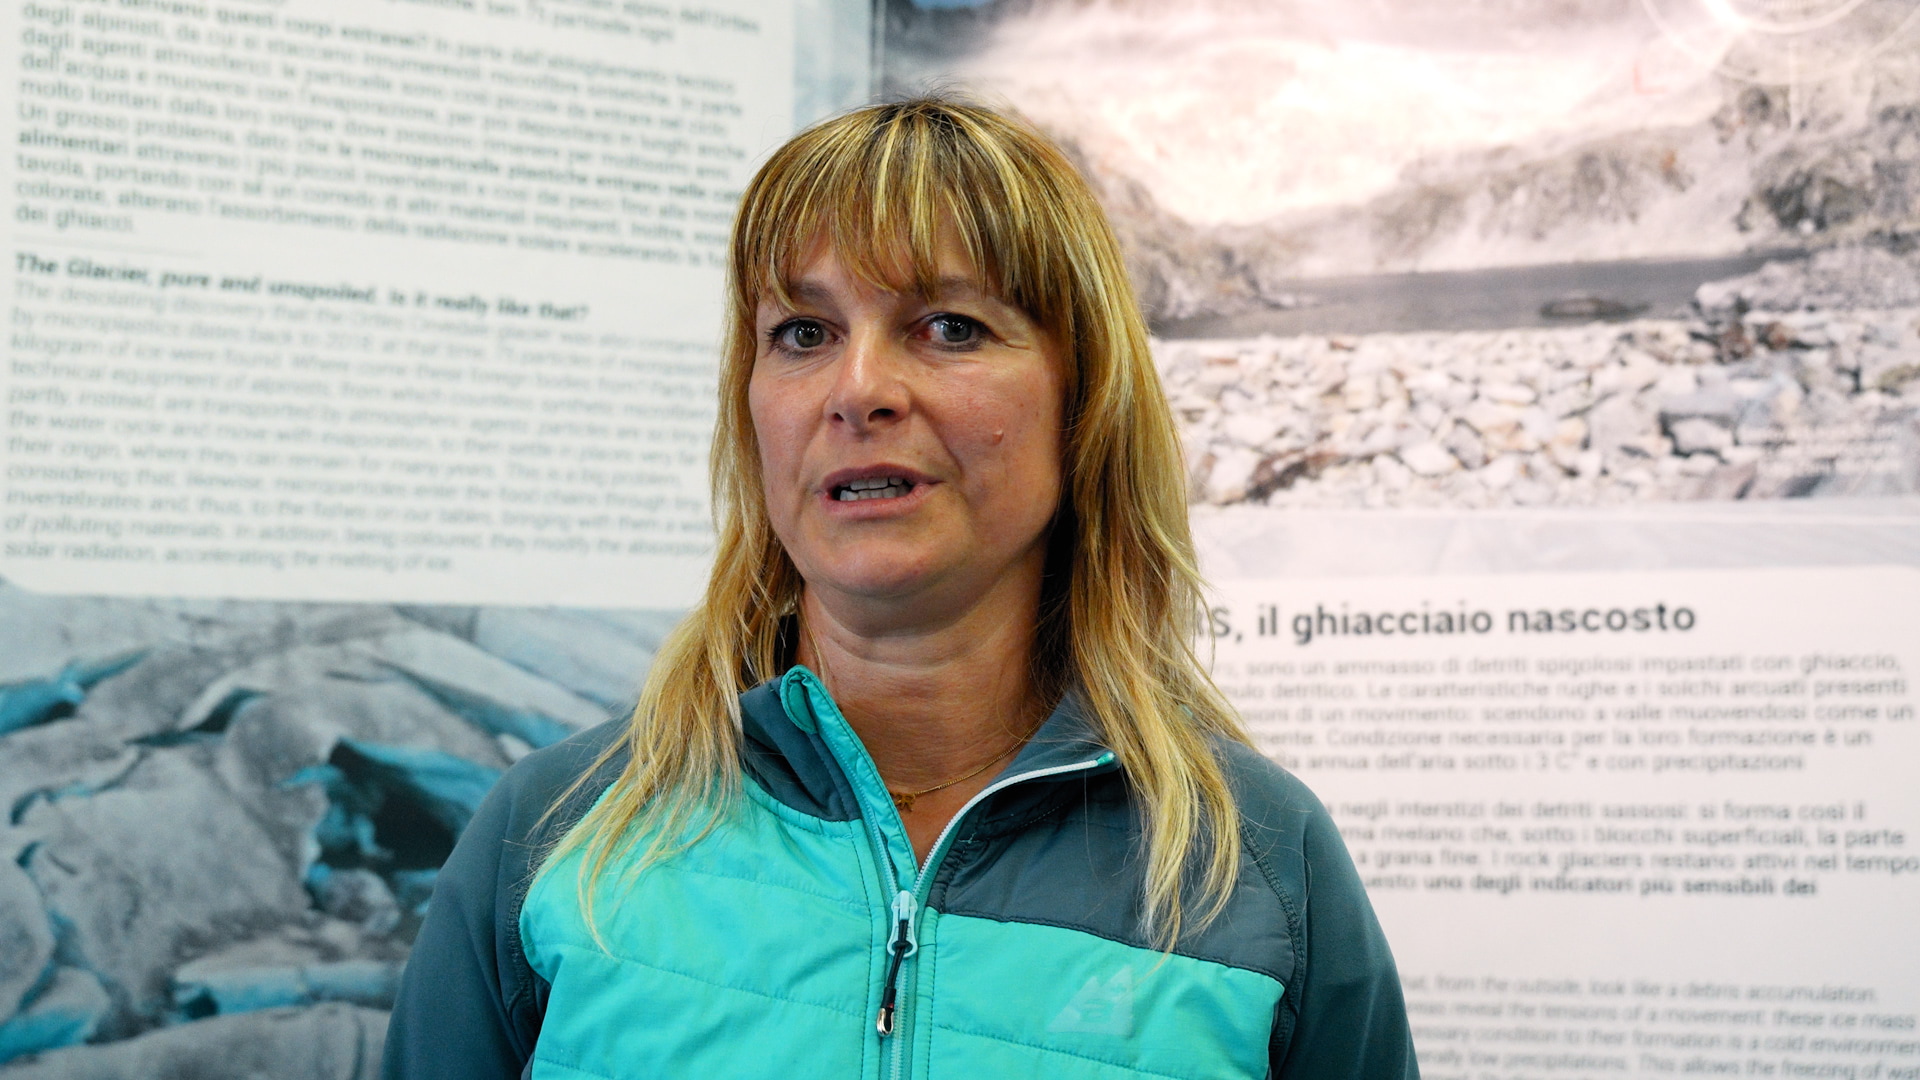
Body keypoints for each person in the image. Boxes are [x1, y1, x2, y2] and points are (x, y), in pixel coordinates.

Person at [383, 98, 1417, 1080]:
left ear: (1083, 401)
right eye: (803, 332)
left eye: (950, 327)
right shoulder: (560, 830)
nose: (860, 389)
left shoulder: (1258, 868)